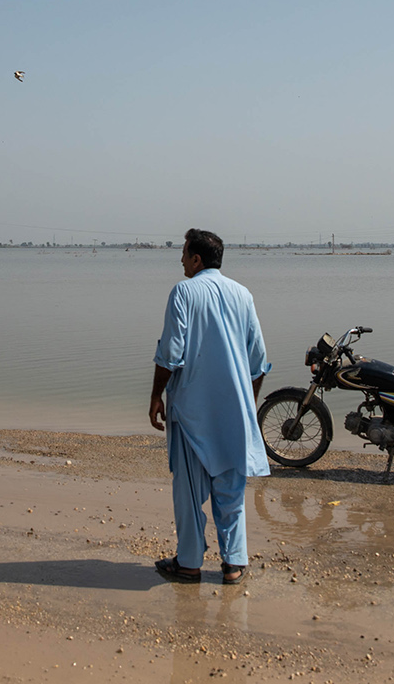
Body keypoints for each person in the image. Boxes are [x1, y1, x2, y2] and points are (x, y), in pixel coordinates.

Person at [148, 228, 270, 585]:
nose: (181, 260)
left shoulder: (184, 292)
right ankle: (233, 564)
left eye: (184, 253)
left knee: (188, 490)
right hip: (233, 411)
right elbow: (258, 360)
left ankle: (188, 563)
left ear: (197, 259)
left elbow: (170, 352)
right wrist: (247, 403)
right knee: (231, 490)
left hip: (191, 409)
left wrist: (156, 396)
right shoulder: (242, 294)